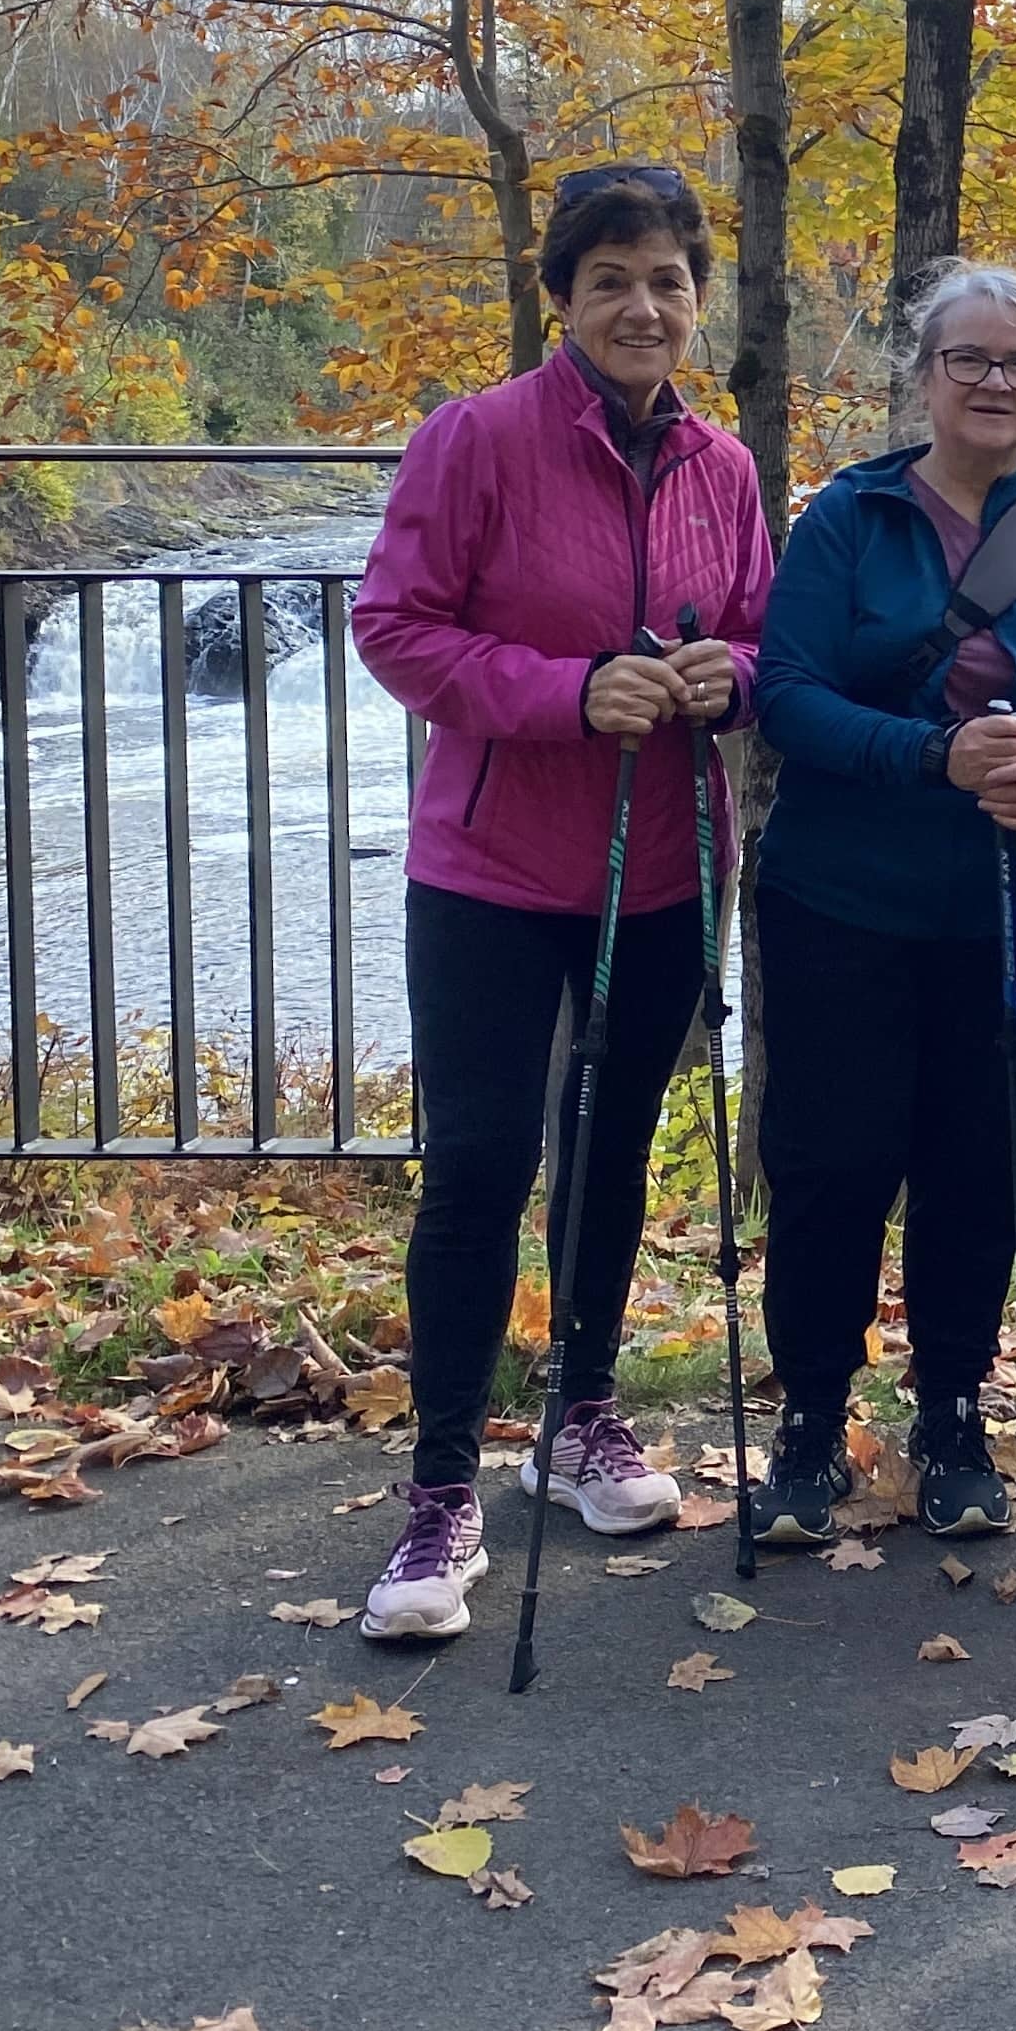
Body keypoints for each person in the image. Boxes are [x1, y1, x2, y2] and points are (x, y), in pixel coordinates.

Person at [349, 161, 772, 1643]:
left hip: (660, 874)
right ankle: (440, 1490)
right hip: (492, 874)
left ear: (697, 300)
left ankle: (581, 1416)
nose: (643, 307)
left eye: (667, 281)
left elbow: (762, 638)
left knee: (612, 1149)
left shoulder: (725, 469)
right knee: (479, 1165)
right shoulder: (474, 441)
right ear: (563, 301)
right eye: (611, 282)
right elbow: (395, 628)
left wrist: (730, 681)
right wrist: (569, 692)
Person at [746, 262, 1016, 1542]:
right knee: (831, 1165)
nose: (993, 381)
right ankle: (812, 1421)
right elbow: (786, 694)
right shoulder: (848, 519)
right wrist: (933, 756)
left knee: (978, 1174)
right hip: (843, 905)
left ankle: (952, 1417)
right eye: (967, 358)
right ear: (923, 375)